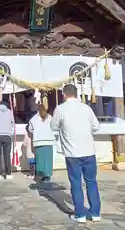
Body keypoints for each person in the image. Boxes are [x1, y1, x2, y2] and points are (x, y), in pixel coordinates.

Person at [50, 84, 101, 223]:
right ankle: (95, 213)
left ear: (64, 94)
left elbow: (53, 126)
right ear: (77, 94)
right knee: (91, 182)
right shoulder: (86, 108)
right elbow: (96, 126)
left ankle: (80, 214)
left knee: (76, 183)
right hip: (89, 151)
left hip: (72, 152)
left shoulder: (60, 109)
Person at [28, 103, 55, 181]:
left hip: (39, 141)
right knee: (48, 159)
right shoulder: (50, 117)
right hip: (49, 141)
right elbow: (54, 126)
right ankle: (48, 175)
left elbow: (30, 129)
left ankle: (42, 174)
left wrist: (36, 133)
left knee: (41, 159)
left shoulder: (33, 119)